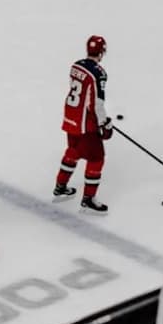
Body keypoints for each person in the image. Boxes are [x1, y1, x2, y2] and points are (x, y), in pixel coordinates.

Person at [54, 35, 111, 214]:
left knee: (74, 151)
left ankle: (61, 187)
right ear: (101, 52)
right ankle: (88, 200)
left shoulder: (76, 65)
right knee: (96, 158)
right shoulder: (98, 73)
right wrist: (104, 123)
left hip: (70, 115)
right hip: (85, 123)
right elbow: (96, 104)